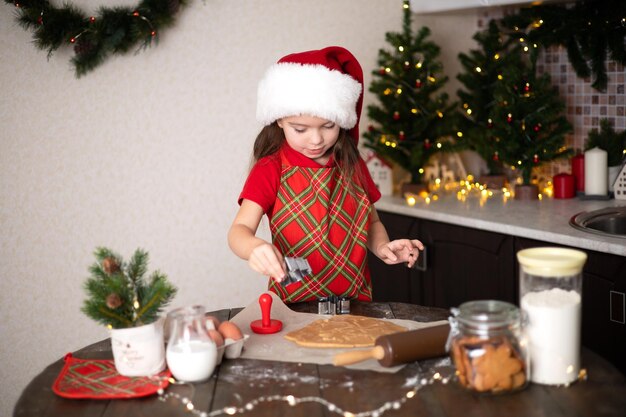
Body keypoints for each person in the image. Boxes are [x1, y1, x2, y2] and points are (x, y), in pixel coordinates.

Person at [228, 46, 423, 303]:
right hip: (295, 302)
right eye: (300, 129)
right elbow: (239, 230)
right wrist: (254, 248)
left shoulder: (353, 164)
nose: (317, 139)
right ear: (279, 120)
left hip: (355, 301)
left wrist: (383, 247)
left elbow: (372, 223)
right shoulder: (271, 167)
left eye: (328, 125)